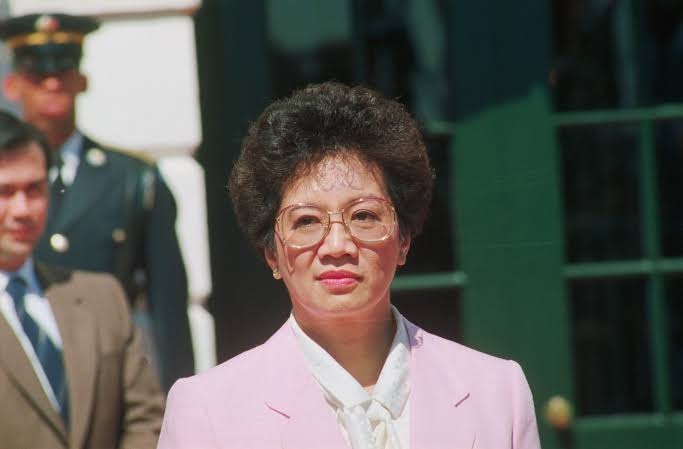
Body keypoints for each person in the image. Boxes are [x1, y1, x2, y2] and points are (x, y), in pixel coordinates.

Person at [158, 82, 541, 448]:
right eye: (306, 221)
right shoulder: (207, 410)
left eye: (364, 216)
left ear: (404, 239)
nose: (337, 246)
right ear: (271, 253)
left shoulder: (497, 392)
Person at [0, 12, 194, 391]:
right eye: (37, 74)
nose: (52, 83)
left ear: (82, 80)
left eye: (64, 70)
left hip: (108, 378)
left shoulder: (133, 179)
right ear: (12, 85)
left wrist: (180, 403)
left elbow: (168, 313)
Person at [0, 110, 164, 449]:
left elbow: (146, 419)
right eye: (5, 192)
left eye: (35, 189)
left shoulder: (101, 297)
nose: (22, 210)